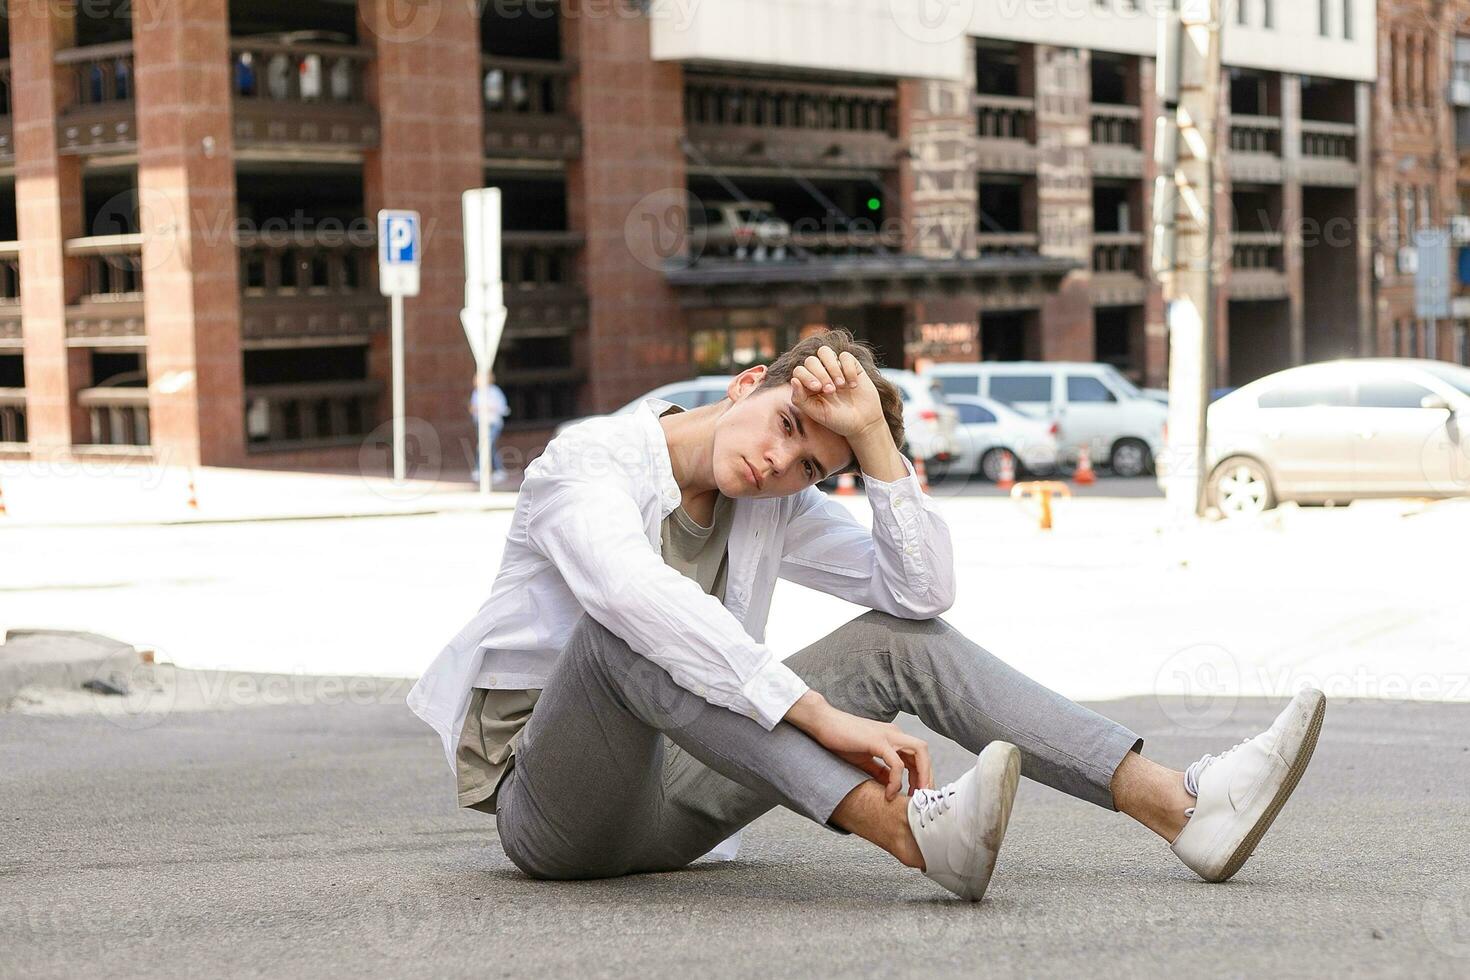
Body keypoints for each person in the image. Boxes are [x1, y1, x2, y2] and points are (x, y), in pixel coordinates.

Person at [410, 329, 1325, 900]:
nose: (781, 463)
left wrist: (877, 444)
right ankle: (912, 835)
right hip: (550, 807)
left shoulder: (770, 502)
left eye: (811, 462)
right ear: (743, 387)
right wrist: (818, 715)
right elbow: (635, 600)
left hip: (677, 803)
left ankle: (1183, 807)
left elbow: (921, 592)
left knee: (901, 643)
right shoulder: (589, 467)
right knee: (632, 631)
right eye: (783, 425)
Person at [468, 373, 510, 484]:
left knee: (486, 444)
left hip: (493, 422)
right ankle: (494, 470)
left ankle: (482, 469)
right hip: (481, 423)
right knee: (487, 446)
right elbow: (473, 408)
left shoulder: (494, 391)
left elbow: (501, 407)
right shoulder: (476, 392)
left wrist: (486, 407)